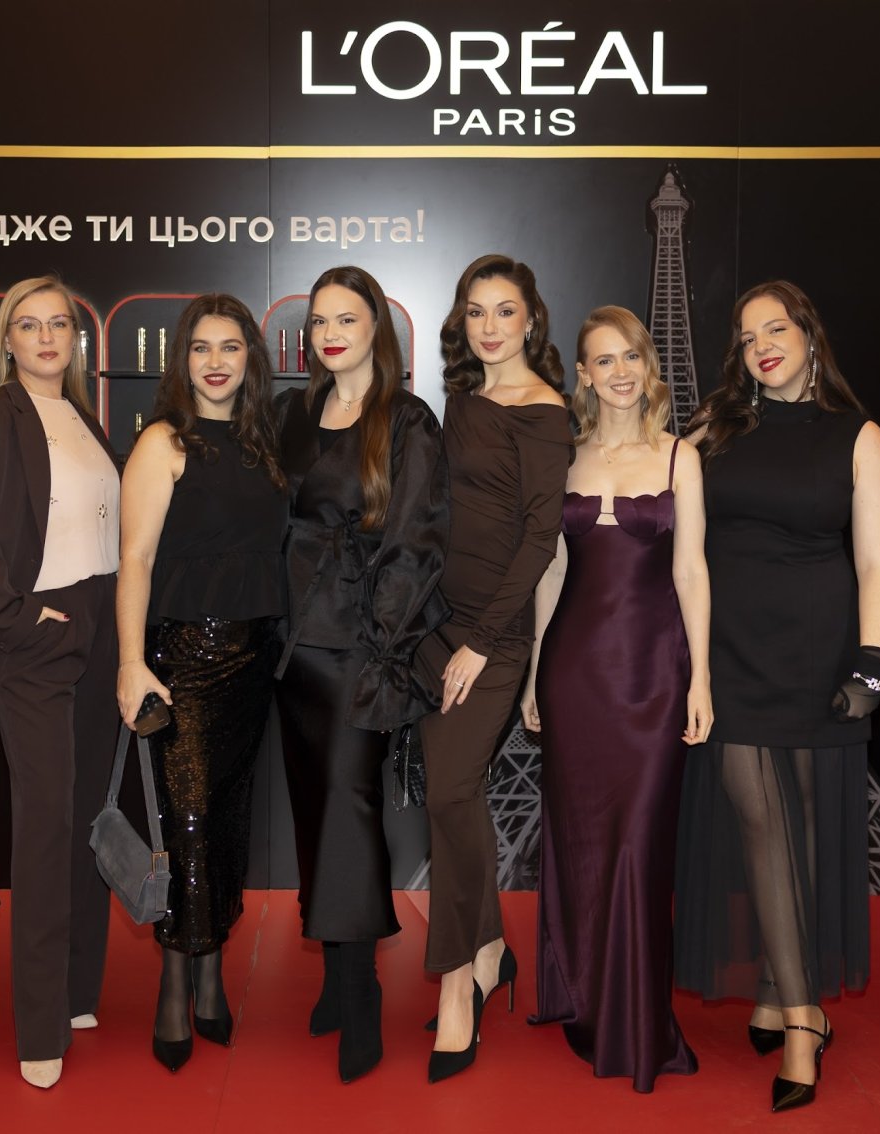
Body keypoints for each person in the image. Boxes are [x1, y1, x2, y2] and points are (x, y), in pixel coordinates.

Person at [675, 280, 880, 1114]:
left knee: (797, 825)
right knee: (760, 818)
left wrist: (871, 669)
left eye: (776, 329)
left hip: (817, 650)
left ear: (808, 334)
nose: (762, 346)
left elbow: (876, 561)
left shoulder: (858, 435)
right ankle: (807, 1020)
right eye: (747, 336)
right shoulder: (715, 430)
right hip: (731, 653)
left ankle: (777, 990)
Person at [0, 276, 123, 1090]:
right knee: (44, 829)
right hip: (39, 634)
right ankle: (40, 1026)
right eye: (29, 325)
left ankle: (77, 992)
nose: (46, 337)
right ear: (6, 340)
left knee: (87, 819)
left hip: (103, 629)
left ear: (75, 336)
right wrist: (16, 618)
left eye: (59, 324)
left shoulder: (83, 415)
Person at [524, 306, 710, 1092]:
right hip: (575, 674)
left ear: (648, 365)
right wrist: (535, 672)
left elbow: (691, 571)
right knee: (584, 841)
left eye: (631, 356)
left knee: (638, 844)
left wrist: (701, 678)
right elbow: (552, 571)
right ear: (584, 376)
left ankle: (635, 1019)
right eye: (604, 360)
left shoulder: (679, 456)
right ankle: (588, 1000)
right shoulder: (563, 457)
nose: (620, 372)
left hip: (654, 675)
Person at [275, 265, 450, 1084]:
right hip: (292, 649)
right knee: (316, 811)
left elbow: (416, 543)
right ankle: (333, 980)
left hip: (360, 648)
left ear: (376, 326)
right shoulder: (293, 413)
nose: (331, 333)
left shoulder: (407, 419)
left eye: (347, 318)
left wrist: (381, 649)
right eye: (319, 321)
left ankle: (361, 990)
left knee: (349, 809)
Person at [115, 294, 287, 1072]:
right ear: (181, 359)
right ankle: (176, 978)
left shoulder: (263, 442)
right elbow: (136, 559)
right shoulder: (164, 441)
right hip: (183, 658)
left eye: (230, 347)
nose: (215, 362)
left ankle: (211, 967)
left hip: (255, 660)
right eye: (200, 348)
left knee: (224, 821)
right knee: (185, 820)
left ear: (251, 358)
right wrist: (131, 662)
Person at [414, 253, 570, 1083]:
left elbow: (541, 539)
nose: (489, 326)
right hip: (438, 626)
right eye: (475, 311)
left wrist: (482, 640)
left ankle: (456, 989)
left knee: (449, 792)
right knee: (456, 795)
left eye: (504, 310)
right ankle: (487, 950)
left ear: (531, 319)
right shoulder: (464, 400)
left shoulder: (546, 412)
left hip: (495, 638)